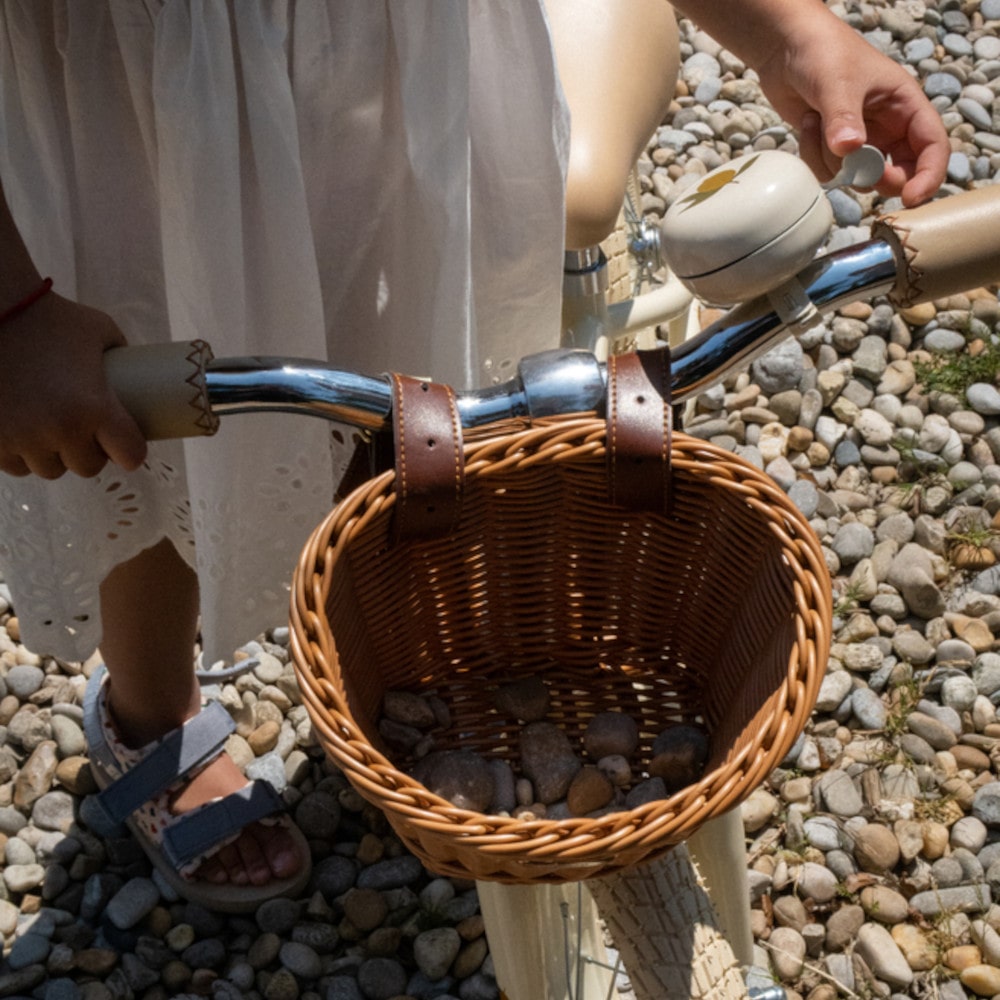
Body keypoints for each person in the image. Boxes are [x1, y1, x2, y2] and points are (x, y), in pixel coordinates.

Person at [0, 0, 948, 909]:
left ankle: (411, 632)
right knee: (137, 424)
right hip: (134, 104)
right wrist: (13, 311)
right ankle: (148, 712)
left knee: (421, 392)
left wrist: (788, 30)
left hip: (419, 85)